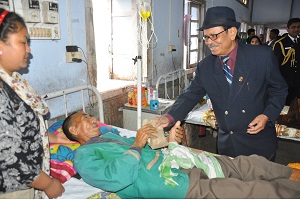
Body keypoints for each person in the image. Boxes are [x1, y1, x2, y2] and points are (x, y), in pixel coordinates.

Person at [152, 6, 288, 161]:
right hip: (228, 145)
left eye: (214, 36)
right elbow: (190, 96)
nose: (210, 42)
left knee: (261, 184)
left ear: (232, 32)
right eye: (206, 37)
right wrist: (169, 117)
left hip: (257, 141)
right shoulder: (206, 66)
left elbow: (279, 89)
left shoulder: (261, 57)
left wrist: (267, 115)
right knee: (228, 184)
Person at [62, 111, 300, 198]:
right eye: (86, 119)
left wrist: (168, 142)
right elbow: (117, 178)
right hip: (169, 182)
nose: (94, 120)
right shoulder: (83, 157)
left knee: (248, 164)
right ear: (74, 131)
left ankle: (292, 175)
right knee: (247, 190)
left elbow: (145, 146)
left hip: (177, 162)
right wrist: (135, 145)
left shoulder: (111, 137)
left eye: (92, 117)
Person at [0, 9, 64, 198]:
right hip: (11, 189)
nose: (28, 49)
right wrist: (49, 183)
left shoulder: (15, 83)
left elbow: (18, 130)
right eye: (23, 42)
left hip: (26, 182)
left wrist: (53, 138)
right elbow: (9, 158)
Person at [273, 18, 300, 107]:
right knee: (284, 107)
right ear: (287, 29)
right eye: (293, 27)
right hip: (285, 82)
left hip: (297, 83)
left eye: (298, 27)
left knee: (296, 107)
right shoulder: (280, 43)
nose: (296, 29)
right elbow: (275, 65)